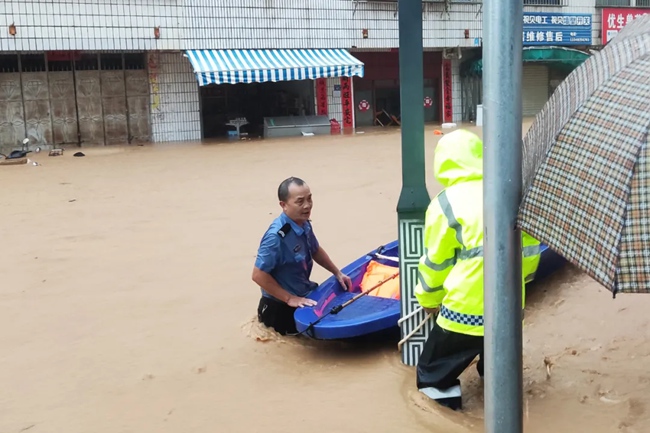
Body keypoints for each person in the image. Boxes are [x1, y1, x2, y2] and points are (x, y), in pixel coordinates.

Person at [414, 129, 542, 411]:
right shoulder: (511, 191)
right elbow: (530, 251)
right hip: (509, 306)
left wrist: (429, 300)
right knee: (497, 367)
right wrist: (520, 285)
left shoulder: (444, 203)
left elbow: (436, 263)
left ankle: (449, 418)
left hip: (464, 311)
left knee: (432, 376)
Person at [252, 176, 353, 335]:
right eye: (300, 202)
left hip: (304, 296)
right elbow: (258, 275)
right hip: (280, 308)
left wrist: (337, 273)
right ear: (283, 205)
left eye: (310, 199)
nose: (307, 206)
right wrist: (289, 298)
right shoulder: (275, 238)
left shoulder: (303, 222)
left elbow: (315, 250)